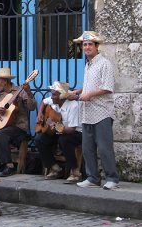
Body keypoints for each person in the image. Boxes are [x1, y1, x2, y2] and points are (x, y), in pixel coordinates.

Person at [71, 31, 119, 190]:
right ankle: (92, 177)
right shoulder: (88, 64)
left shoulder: (105, 63)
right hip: (87, 112)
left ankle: (112, 178)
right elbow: (90, 86)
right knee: (87, 148)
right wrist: (79, 91)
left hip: (102, 112)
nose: (86, 47)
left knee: (105, 148)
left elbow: (107, 87)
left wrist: (89, 94)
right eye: (84, 45)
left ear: (97, 46)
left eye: (90, 44)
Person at [0, 68, 37, 177]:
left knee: (2, 134)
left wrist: (28, 92)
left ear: (5, 81)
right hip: (2, 126)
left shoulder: (20, 91)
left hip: (18, 128)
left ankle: (9, 166)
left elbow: (32, 107)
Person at [34, 81, 82, 183]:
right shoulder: (53, 101)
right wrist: (40, 114)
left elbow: (72, 129)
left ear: (62, 96)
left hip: (75, 133)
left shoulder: (73, 106)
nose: (51, 97)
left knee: (64, 140)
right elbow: (43, 102)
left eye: (54, 94)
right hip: (59, 130)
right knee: (39, 139)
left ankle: (75, 172)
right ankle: (55, 168)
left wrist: (58, 128)